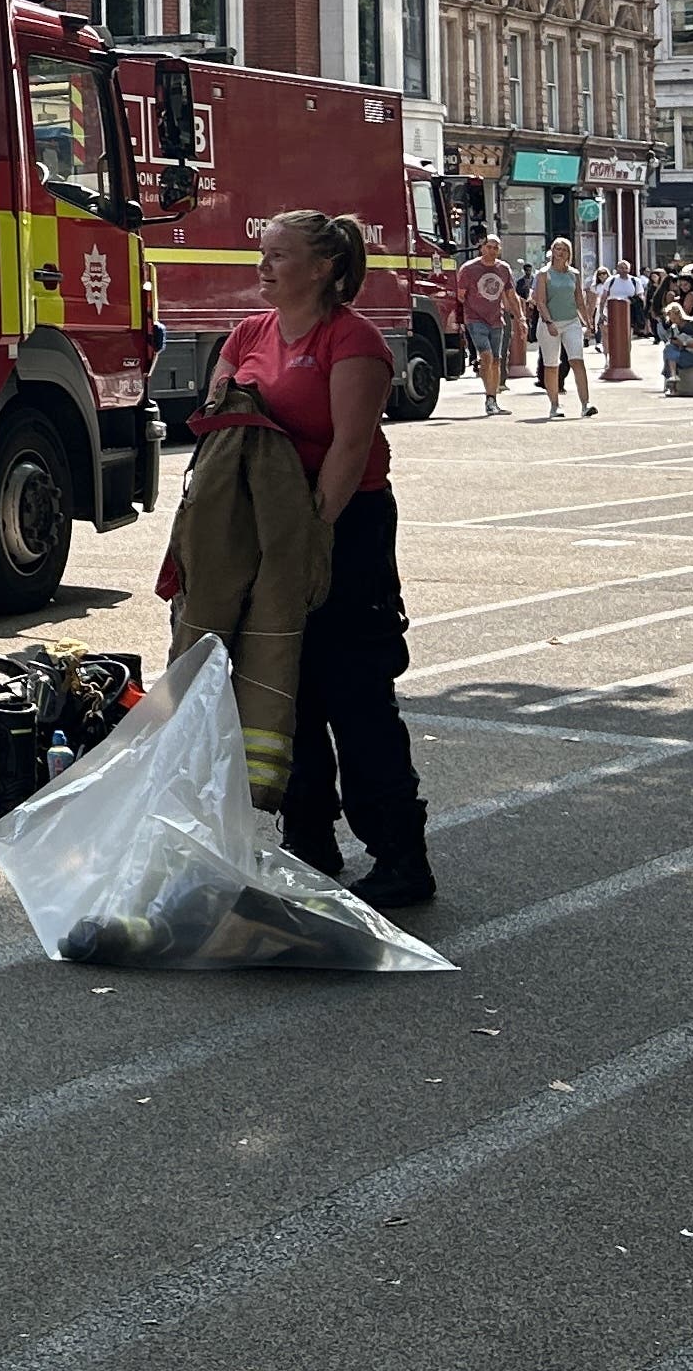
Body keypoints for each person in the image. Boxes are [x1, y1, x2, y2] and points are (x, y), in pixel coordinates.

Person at [202, 209, 427, 908]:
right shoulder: (247, 334)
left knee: (356, 693)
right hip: (264, 529)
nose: (263, 268)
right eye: (262, 254)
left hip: (344, 526)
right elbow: (218, 418)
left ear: (324, 267)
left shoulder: (351, 339)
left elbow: (349, 449)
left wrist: (314, 537)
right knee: (282, 685)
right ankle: (310, 839)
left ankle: (400, 855)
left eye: (280, 256)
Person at [528, 239, 598, 419]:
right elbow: (540, 302)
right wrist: (549, 322)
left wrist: (588, 324)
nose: (560, 252)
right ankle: (554, 405)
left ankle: (585, 403)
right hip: (549, 323)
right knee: (551, 365)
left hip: (571, 322)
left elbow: (579, 302)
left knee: (577, 360)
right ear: (552, 251)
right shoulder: (544, 274)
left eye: (564, 250)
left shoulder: (573, 274)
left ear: (569, 253)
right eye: (557, 249)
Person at [450, 234, 517, 418]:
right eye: (489, 246)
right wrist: (463, 317)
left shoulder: (504, 269)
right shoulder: (469, 269)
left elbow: (511, 295)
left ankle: (493, 398)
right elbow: (460, 295)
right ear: (482, 248)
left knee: (496, 359)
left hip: (496, 319)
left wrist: (521, 318)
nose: (492, 250)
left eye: (496, 247)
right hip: (475, 319)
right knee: (486, 356)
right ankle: (489, 398)